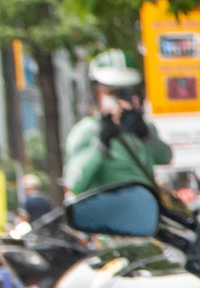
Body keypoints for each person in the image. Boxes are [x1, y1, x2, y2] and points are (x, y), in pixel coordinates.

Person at [65, 65, 172, 197]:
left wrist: (145, 136)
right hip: (106, 211)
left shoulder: (142, 127)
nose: (120, 99)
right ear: (98, 94)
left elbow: (165, 157)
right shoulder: (86, 130)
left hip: (143, 208)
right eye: (111, 92)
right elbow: (75, 183)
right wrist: (101, 145)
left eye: (127, 92)